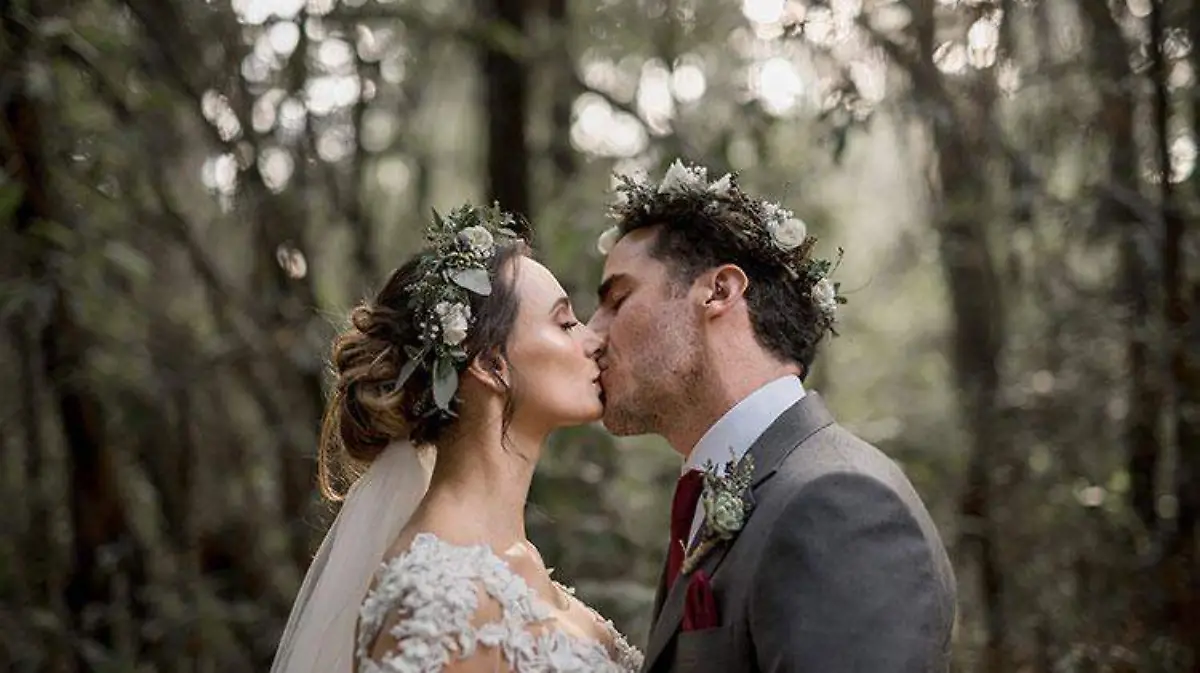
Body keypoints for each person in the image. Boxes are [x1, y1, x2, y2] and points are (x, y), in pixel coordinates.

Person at [587, 160, 957, 673]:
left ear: (719, 292)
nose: (592, 333)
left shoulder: (837, 505)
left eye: (618, 299)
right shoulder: (734, 494)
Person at [271, 204, 643, 673]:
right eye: (565, 323)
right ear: (491, 365)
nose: (594, 340)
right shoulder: (435, 595)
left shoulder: (516, 562)